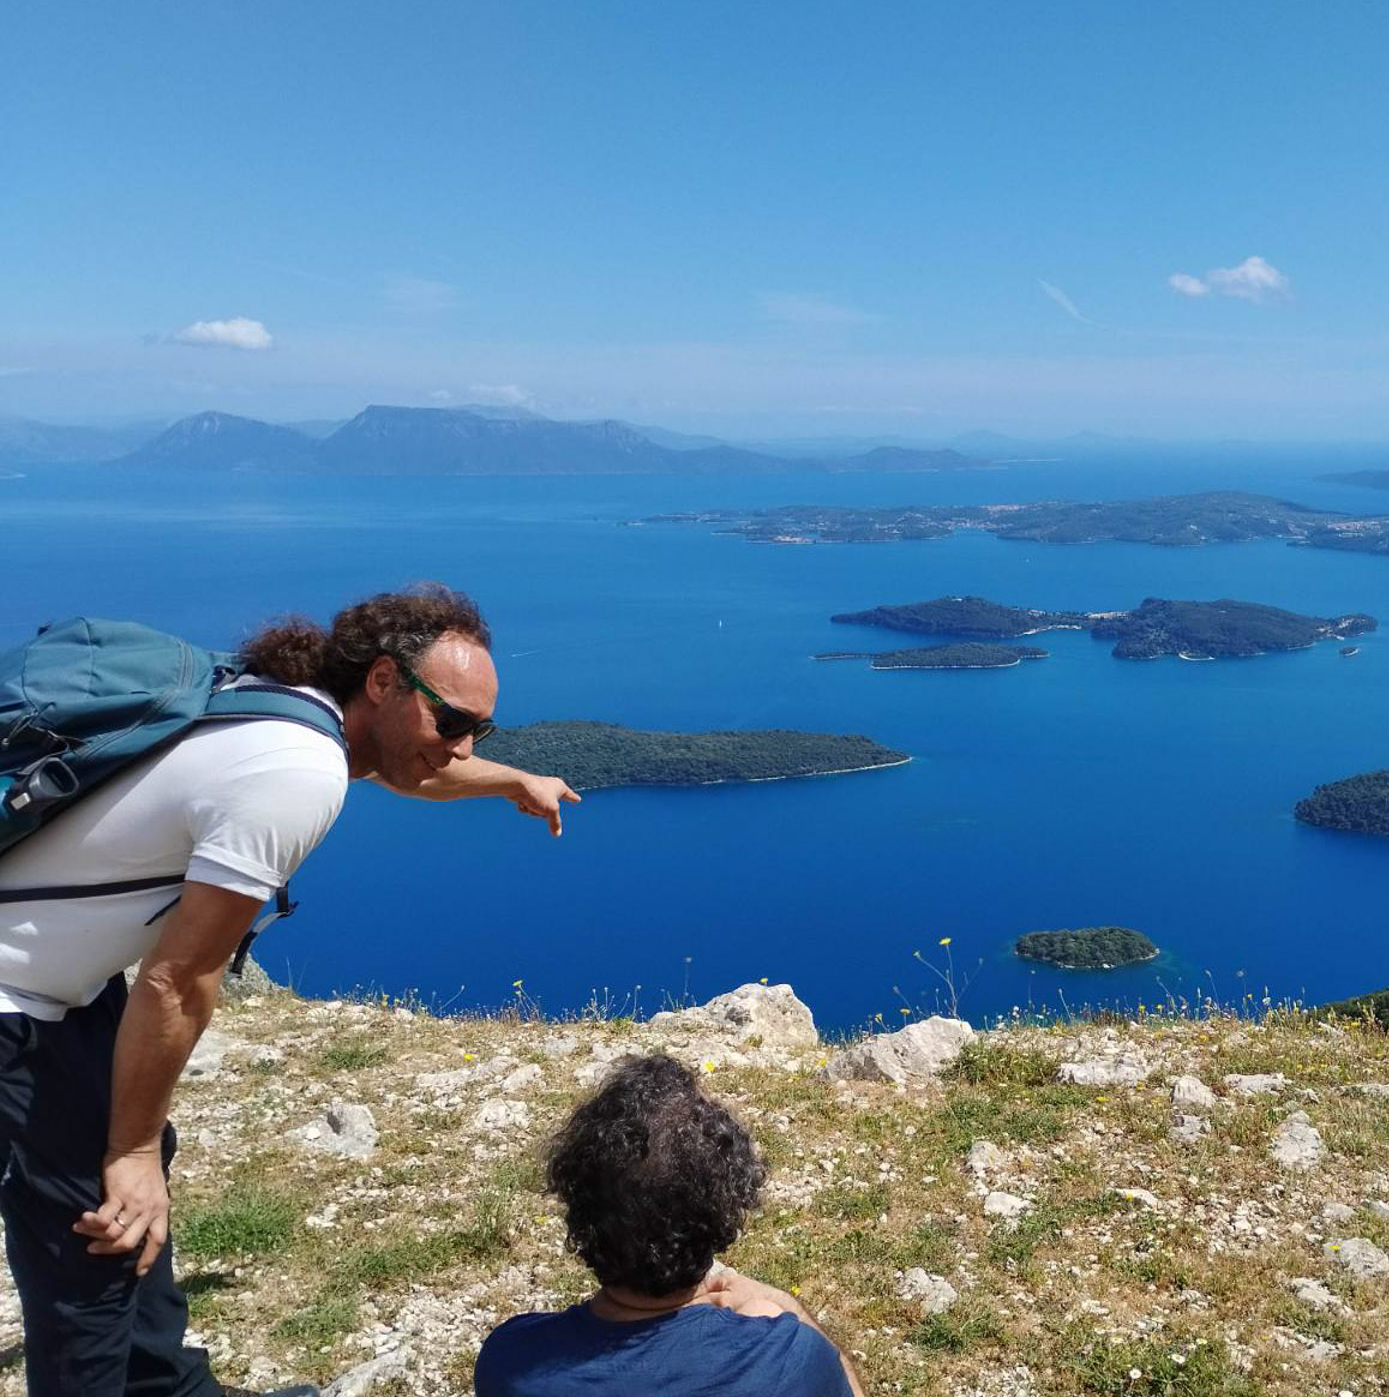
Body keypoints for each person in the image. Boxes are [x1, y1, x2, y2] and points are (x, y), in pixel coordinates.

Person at [0, 585, 580, 1397]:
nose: (461, 745)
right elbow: (178, 979)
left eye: (480, 730)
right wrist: (130, 1152)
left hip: (55, 987)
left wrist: (512, 777)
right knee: (95, 1224)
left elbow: (413, 768)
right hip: (14, 998)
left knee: (126, 1182)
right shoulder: (297, 770)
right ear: (381, 681)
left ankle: (168, 1385)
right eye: (453, 722)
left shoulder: (283, 709)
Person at [476, 1055, 863, 1397]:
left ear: (579, 1207)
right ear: (724, 1212)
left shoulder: (510, 1362)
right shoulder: (790, 1360)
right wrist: (784, 1306)